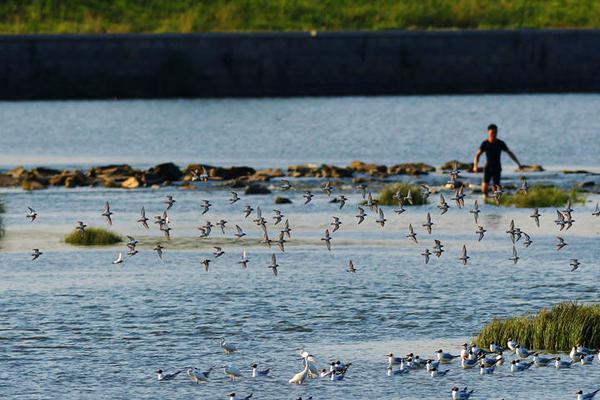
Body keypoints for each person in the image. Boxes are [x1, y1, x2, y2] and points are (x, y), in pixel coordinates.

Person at [473, 124, 522, 196]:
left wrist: (518, 164)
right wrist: (475, 166)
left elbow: (510, 153)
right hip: (488, 168)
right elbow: (477, 155)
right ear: (488, 132)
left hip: (497, 167)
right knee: (484, 189)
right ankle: (486, 200)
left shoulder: (500, 143)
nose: (493, 134)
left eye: (495, 132)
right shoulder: (485, 143)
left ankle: (495, 202)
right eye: (492, 133)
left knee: (496, 189)